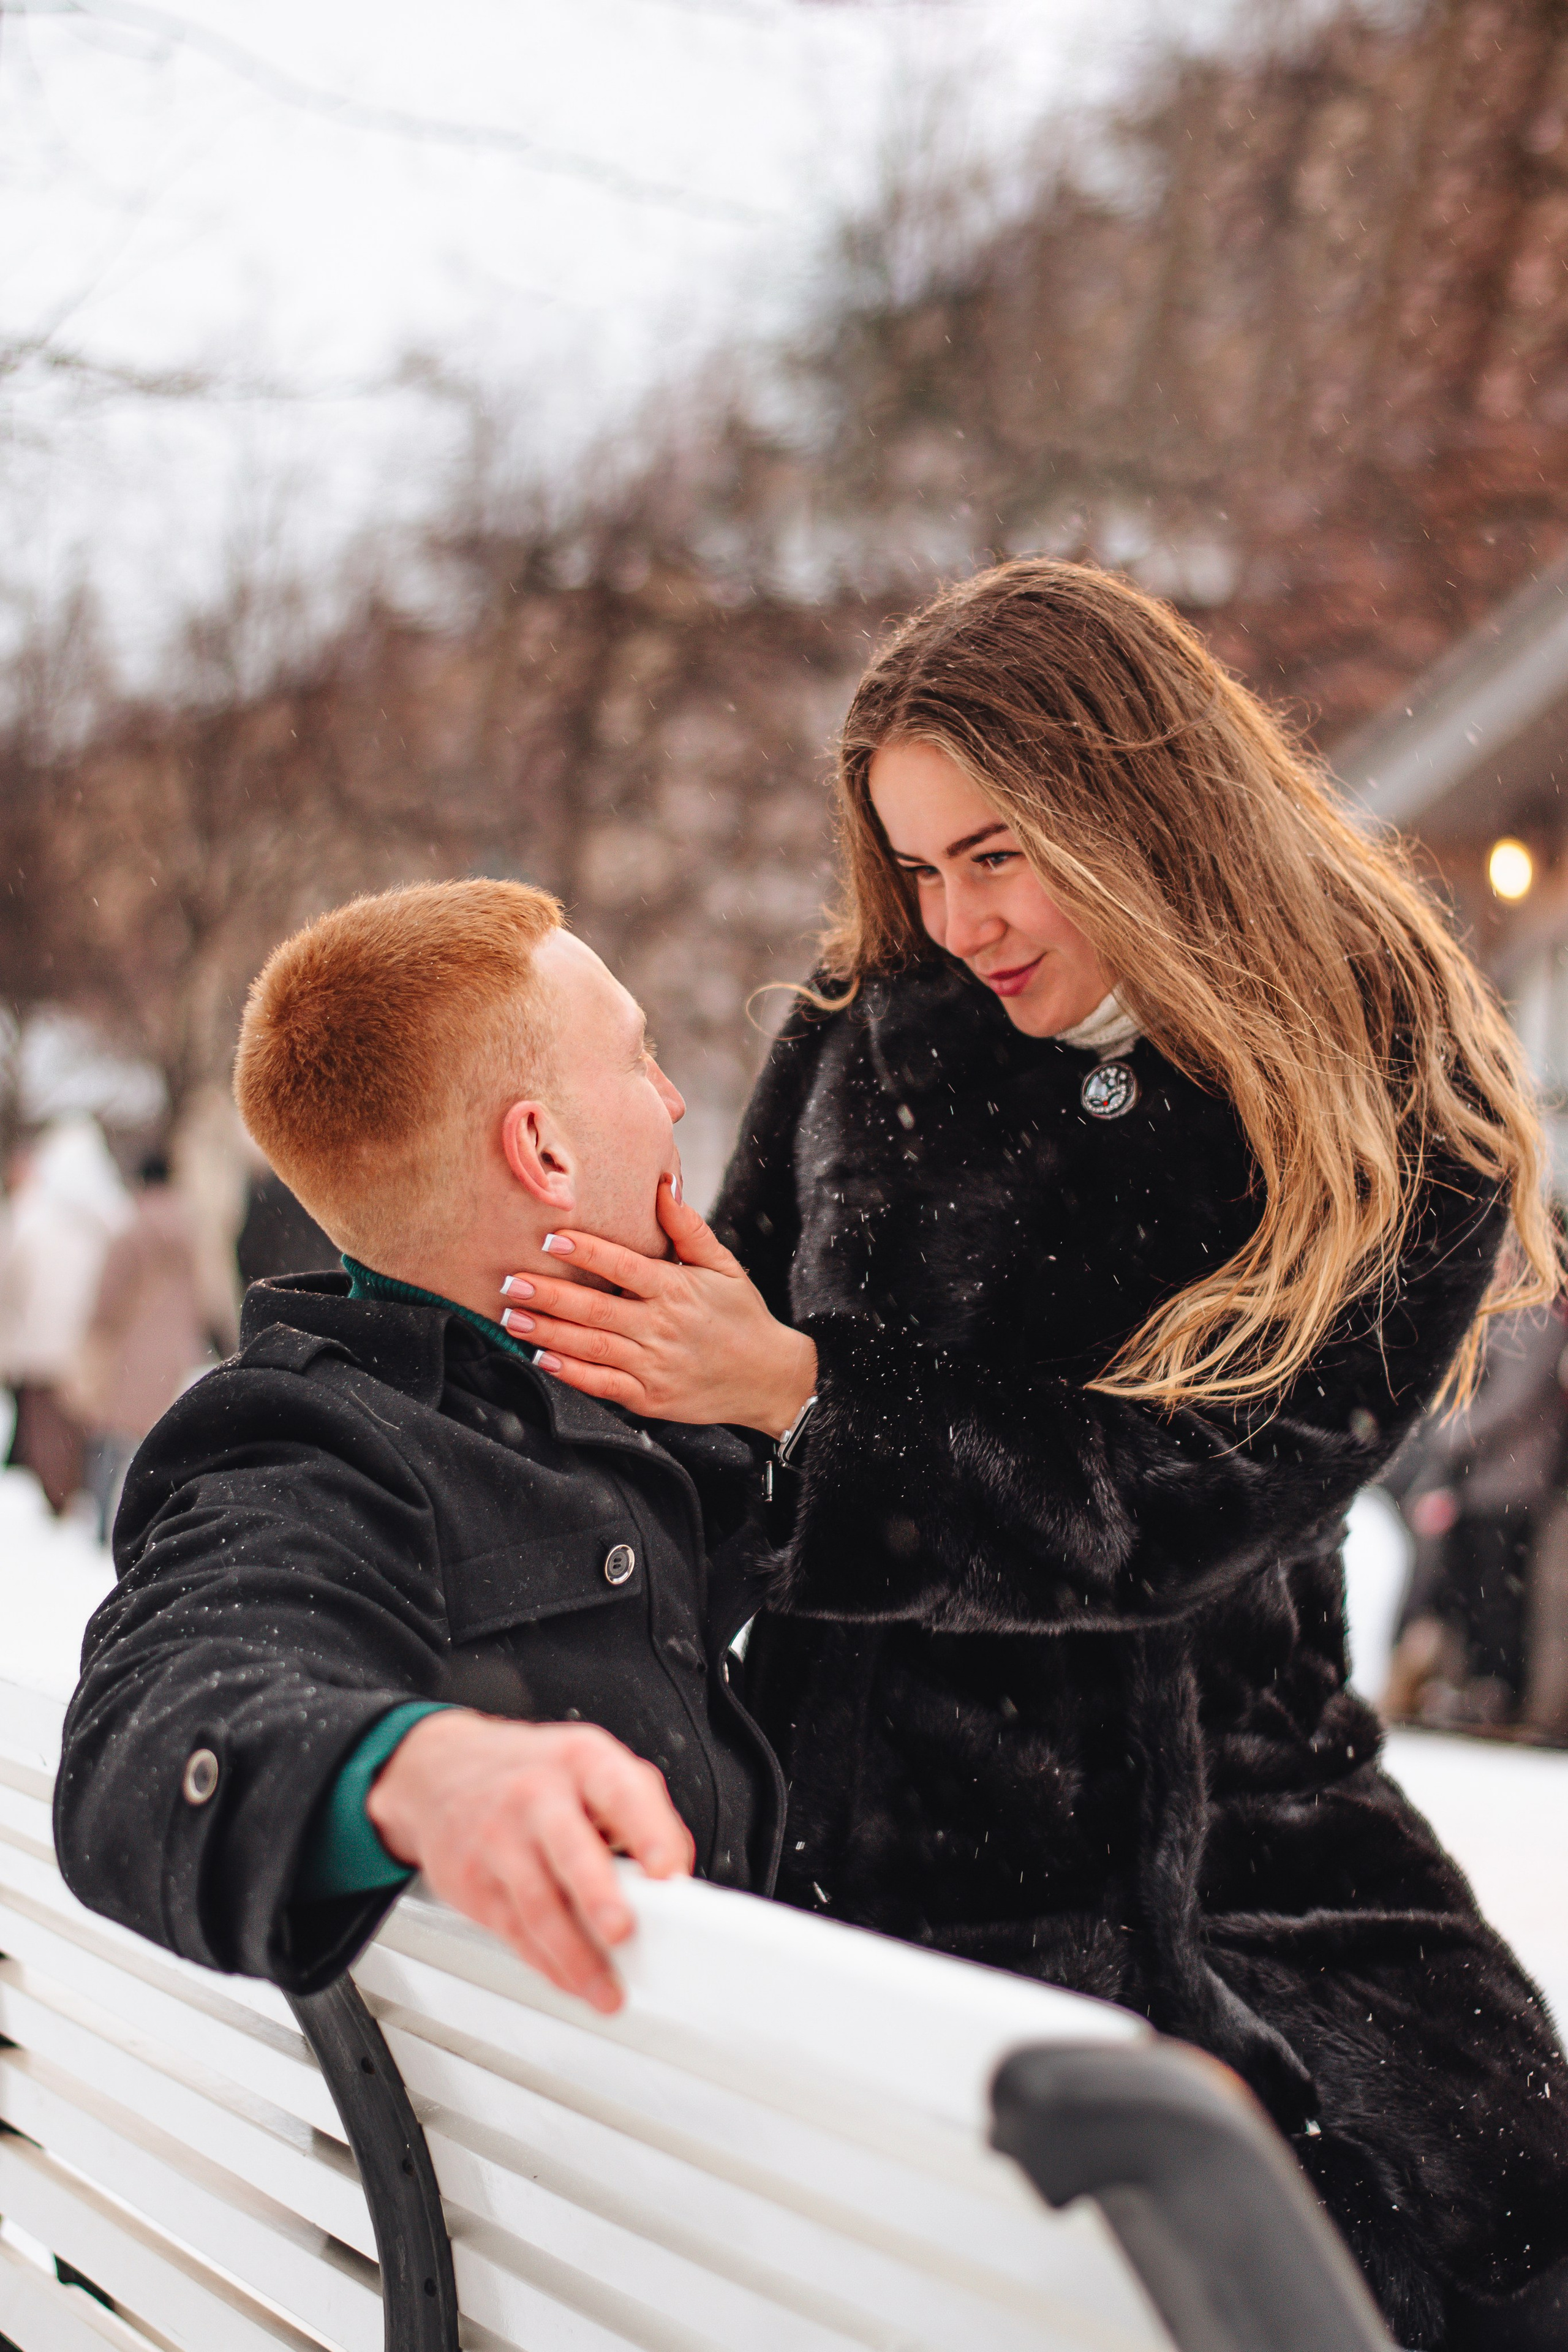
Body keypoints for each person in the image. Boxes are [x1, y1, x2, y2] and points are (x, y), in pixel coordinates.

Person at [507, 560, 1568, 2347]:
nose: (957, 915)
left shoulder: (1389, 1085)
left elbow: (1176, 1507)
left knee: (1488, 2221)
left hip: (1247, 1843)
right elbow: (699, 1407)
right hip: (866, 1856)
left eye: (995, 852)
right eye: (918, 866)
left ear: (1139, 800)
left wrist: (808, 1400)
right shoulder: (873, 1032)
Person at [55, 881, 793, 2016]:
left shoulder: (582, 1391)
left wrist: (783, 1394)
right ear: (542, 1147)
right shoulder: (313, 1444)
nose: (677, 1098)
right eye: (640, 1058)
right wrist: (418, 1773)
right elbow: (147, 1732)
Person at [1383, 1302, 1568, 1730]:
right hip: (1471, 1480)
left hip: (1513, 1481)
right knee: (1467, 1590)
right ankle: (1468, 1688)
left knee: (1499, 1593)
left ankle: (1497, 1693)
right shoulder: (1498, 1313)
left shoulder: (1540, 1320)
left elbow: (1512, 1396)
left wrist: (1446, 1436)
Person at [65, 1152, 211, 1540]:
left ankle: (103, 1526)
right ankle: (159, 1525)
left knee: (113, 1437)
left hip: (133, 1347)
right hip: (177, 1347)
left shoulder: (131, 1230)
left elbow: (107, 1297)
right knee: (162, 1440)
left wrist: (96, 1330)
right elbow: (206, 1291)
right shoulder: (192, 1229)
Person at [0, 1116, 130, 1514]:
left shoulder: (30, 1216)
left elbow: (9, 1284)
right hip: (91, 1346)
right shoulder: (113, 1218)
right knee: (81, 1426)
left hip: (40, 1345)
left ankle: (58, 1500)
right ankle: (78, 1495)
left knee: (47, 1429)